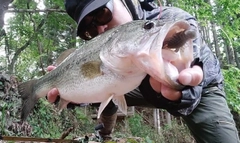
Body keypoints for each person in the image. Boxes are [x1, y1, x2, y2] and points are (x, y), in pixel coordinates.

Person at [46, 0, 240, 142]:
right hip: (131, 81)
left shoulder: (172, 20)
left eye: (103, 13)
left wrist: (180, 84)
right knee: (107, 83)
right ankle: (104, 134)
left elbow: (189, 70)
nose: (101, 28)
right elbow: (91, 79)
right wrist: (71, 93)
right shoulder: (103, 43)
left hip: (204, 89)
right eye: (90, 29)